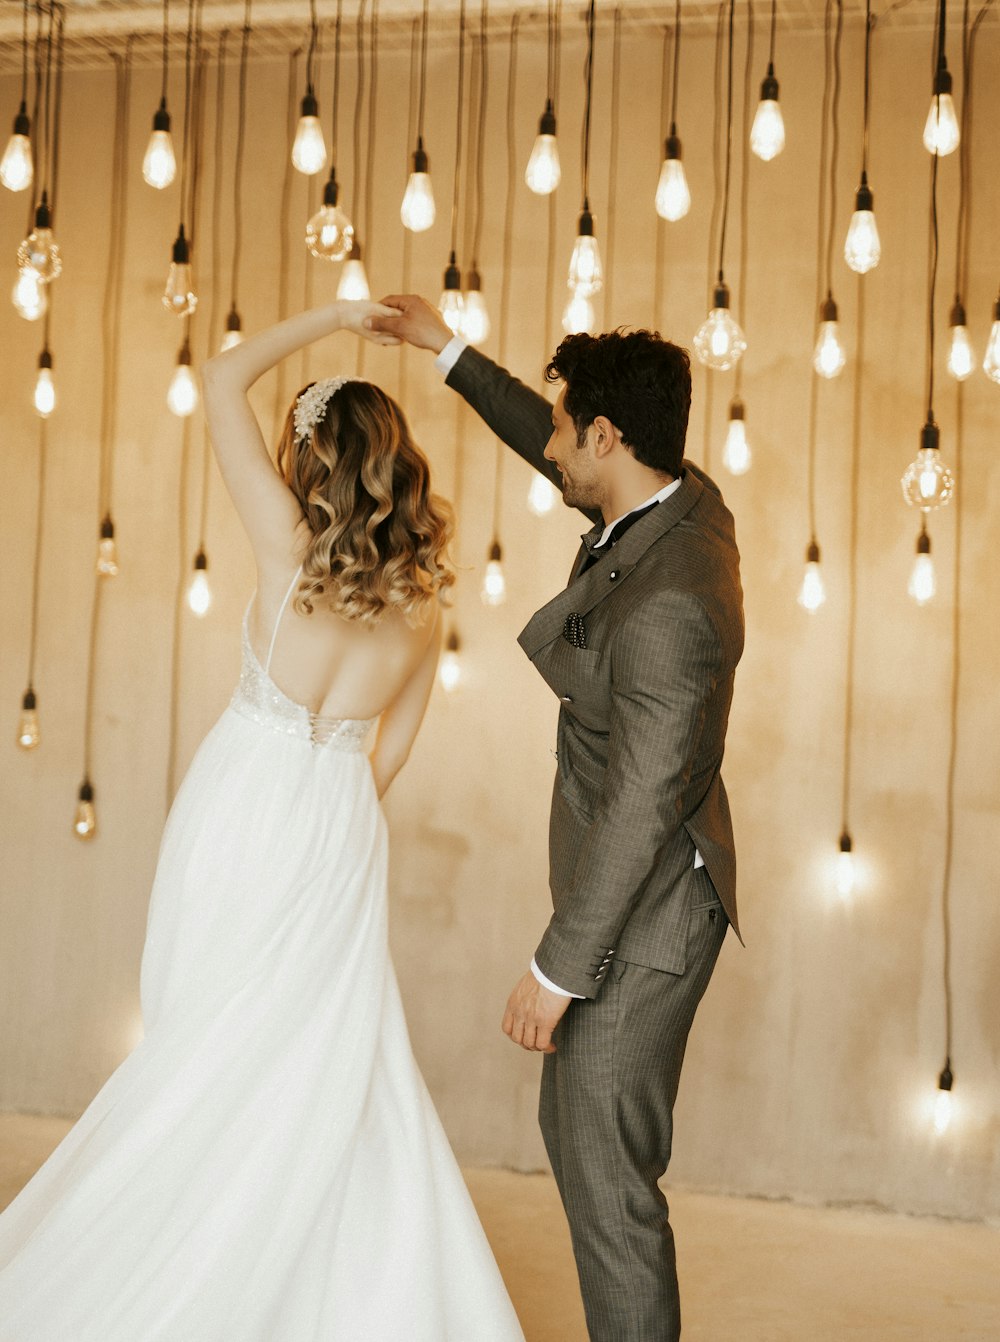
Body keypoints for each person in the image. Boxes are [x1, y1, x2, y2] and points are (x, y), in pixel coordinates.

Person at [0, 300, 525, 1342]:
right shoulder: (426, 605)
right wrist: (329, 830)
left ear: (310, 458)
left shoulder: (289, 554)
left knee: (203, 1037)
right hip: (339, 821)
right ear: (396, 464)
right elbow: (395, 747)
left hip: (244, 806)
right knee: (328, 1049)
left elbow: (221, 370)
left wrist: (339, 316)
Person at [368, 295, 745, 1342]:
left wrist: (556, 966)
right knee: (582, 1142)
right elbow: (554, 449)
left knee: (605, 1177)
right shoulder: (671, 499)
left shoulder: (671, 603)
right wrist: (444, 350)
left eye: (567, 428)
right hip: (632, 893)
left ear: (607, 436)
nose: (553, 448)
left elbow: (643, 801)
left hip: (647, 916)